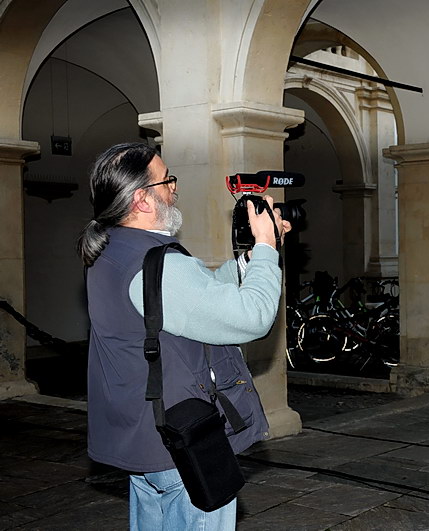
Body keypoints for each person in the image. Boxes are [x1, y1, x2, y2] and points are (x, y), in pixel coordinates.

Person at [76, 143, 289, 530]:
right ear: (141, 199)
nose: (174, 186)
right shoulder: (156, 263)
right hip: (184, 439)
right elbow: (252, 317)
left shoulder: (112, 250)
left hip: (144, 435)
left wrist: (251, 259)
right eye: (166, 179)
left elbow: (198, 298)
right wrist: (266, 248)